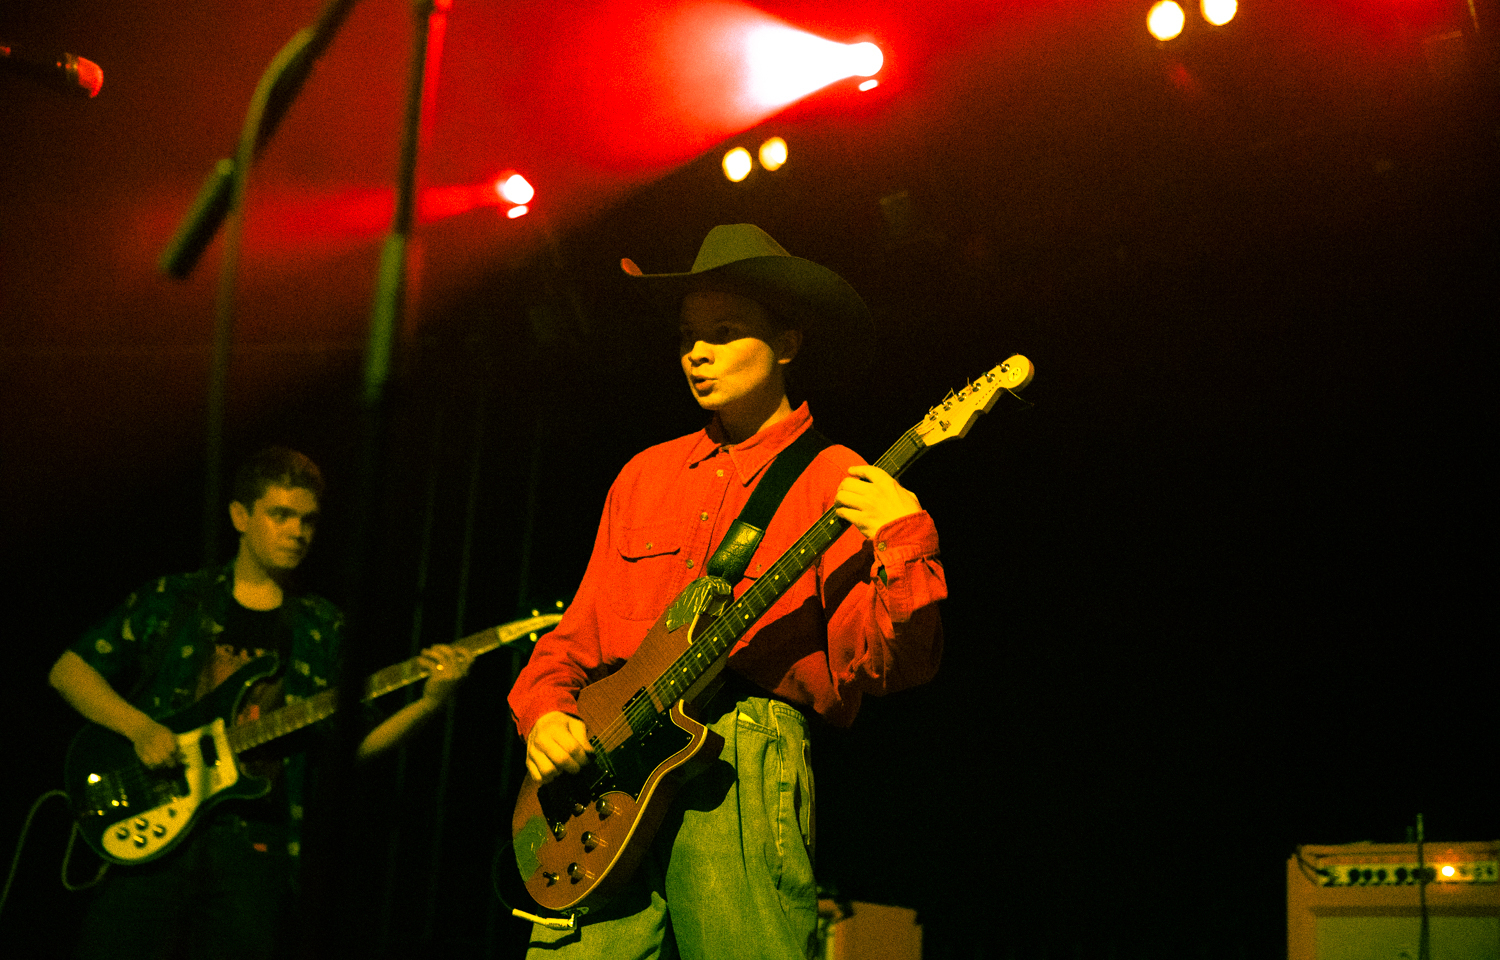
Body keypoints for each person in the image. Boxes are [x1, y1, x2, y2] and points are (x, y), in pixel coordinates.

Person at [509, 224, 947, 959]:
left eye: (724, 332)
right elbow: (574, 637)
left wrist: (904, 537)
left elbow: (889, 666)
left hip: (741, 755)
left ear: (788, 344)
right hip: (607, 770)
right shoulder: (643, 475)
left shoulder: (832, 480)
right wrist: (546, 716)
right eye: (687, 335)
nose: (697, 353)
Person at [48, 446, 472, 960]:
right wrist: (140, 729)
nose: (298, 532)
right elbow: (69, 670)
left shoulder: (323, 627)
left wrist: (429, 703)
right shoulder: (178, 598)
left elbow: (350, 749)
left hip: (256, 853)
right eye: (281, 515)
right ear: (239, 516)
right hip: (153, 837)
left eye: (309, 520)